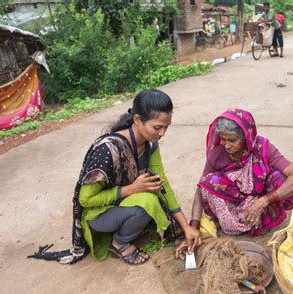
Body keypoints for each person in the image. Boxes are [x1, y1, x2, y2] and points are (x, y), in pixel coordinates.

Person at [29, 89, 201, 265]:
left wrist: (186, 226)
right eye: (157, 127)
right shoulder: (108, 150)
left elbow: (164, 186)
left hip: (120, 205)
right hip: (98, 215)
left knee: (154, 192)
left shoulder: (150, 146)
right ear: (137, 120)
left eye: (166, 127)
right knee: (149, 202)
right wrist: (132, 189)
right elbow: (85, 200)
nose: (162, 133)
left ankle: (126, 223)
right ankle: (120, 242)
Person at [187, 109, 293, 238]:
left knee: (280, 178)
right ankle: (233, 223)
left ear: (246, 137)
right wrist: (194, 225)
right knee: (209, 182)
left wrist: (264, 201)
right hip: (233, 202)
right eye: (223, 139)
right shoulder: (218, 153)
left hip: (261, 201)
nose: (227, 146)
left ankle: (263, 220)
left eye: (232, 140)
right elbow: (201, 188)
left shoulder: (263, 147)